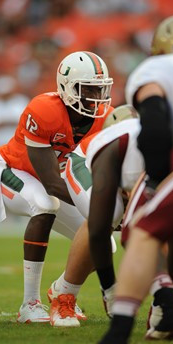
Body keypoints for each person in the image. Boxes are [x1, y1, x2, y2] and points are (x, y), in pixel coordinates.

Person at [72, 13, 173, 344]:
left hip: (166, 161)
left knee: (139, 230)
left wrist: (153, 179)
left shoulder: (152, 73)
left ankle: (117, 340)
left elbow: (153, 124)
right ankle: (165, 307)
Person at [0, 51, 114, 325]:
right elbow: (51, 183)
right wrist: (103, 206)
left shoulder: (106, 118)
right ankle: (29, 303)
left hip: (54, 181)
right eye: (88, 88)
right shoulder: (44, 110)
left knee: (103, 242)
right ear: (67, 87)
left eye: (100, 88)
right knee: (44, 204)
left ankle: (62, 290)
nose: (96, 96)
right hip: (11, 170)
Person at [48, 104, 143, 326]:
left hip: (130, 169)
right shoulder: (125, 146)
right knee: (106, 215)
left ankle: (165, 302)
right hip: (87, 162)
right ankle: (65, 298)